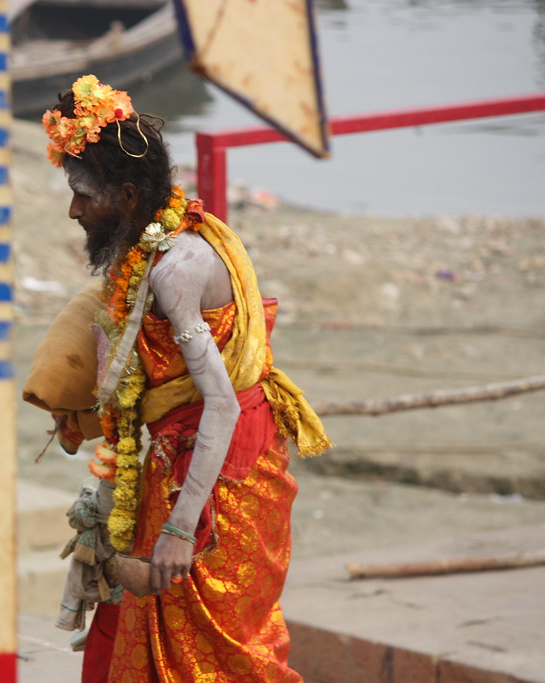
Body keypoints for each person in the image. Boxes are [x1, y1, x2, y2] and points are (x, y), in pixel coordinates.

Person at [36, 75, 333, 681]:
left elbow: (221, 405)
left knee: (214, 652)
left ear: (125, 194)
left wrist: (178, 530)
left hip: (221, 476)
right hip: (182, 457)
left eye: (82, 195)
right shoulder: (158, 240)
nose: (74, 211)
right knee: (144, 627)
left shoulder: (177, 269)